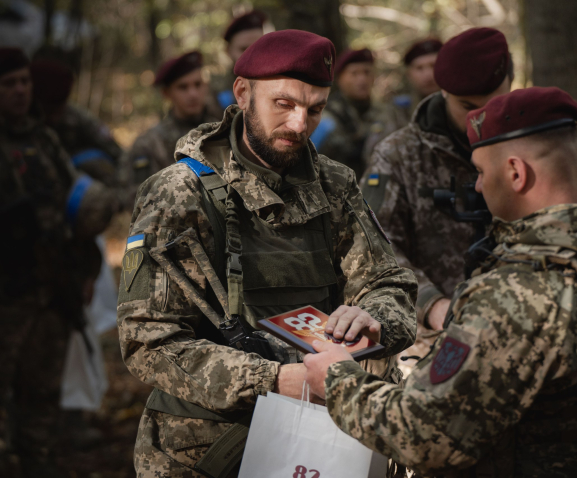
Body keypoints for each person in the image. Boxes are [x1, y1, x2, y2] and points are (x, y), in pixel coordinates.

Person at [305, 86, 577, 478]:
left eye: (481, 172)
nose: (479, 186)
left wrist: (337, 379)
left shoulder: (519, 292)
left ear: (516, 172)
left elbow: (425, 435)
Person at [117, 30, 417, 478]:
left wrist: (373, 319)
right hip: (208, 449)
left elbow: (390, 284)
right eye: (284, 104)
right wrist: (273, 381)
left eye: (315, 109)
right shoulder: (181, 192)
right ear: (242, 93)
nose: (300, 124)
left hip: (323, 441)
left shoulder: (334, 184)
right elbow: (148, 341)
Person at [0, 47, 116, 477]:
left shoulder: (41, 138)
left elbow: (73, 208)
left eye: (23, 82)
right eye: (8, 83)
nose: (18, 91)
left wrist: (84, 271)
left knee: (42, 393)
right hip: (7, 290)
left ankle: (37, 463)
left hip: (49, 287)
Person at [361, 28, 513, 334]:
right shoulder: (397, 155)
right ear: (443, 91)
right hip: (428, 333)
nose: (481, 119)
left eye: (494, 105)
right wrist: (431, 304)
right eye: (468, 108)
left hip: (516, 323)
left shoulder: (531, 149)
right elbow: (370, 246)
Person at [119, 50, 220, 208]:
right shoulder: (149, 144)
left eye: (197, 84)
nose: (193, 94)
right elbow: (140, 204)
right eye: (183, 87)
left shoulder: (223, 130)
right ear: (167, 93)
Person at [30, 58, 122, 187]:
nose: (55, 117)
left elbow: (116, 151)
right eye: (49, 109)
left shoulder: (77, 116)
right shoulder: (24, 121)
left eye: (59, 108)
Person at [310, 47, 385, 178]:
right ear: (339, 78)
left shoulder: (385, 113)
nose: (362, 79)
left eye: (367, 72)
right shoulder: (325, 116)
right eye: (354, 73)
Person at [208, 9, 266, 115]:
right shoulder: (216, 89)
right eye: (243, 49)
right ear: (228, 51)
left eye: (258, 47)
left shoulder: (280, 82)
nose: (251, 55)